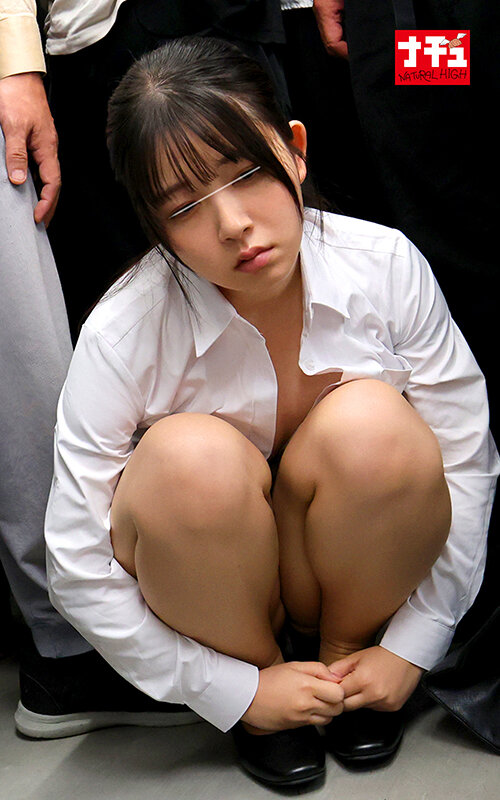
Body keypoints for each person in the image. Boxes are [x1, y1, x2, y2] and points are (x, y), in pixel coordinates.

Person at [43, 37, 498, 788]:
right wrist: (233, 690)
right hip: (217, 601)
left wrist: (412, 644)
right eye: (185, 207)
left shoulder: (384, 265)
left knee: (376, 425)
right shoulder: (124, 331)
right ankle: (270, 690)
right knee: (187, 461)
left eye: (247, 173)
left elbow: (466, 458)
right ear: (153, 226)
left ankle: (344, 669)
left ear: (295, 150)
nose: (232, 224)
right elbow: (75, 559)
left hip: (351, 580)